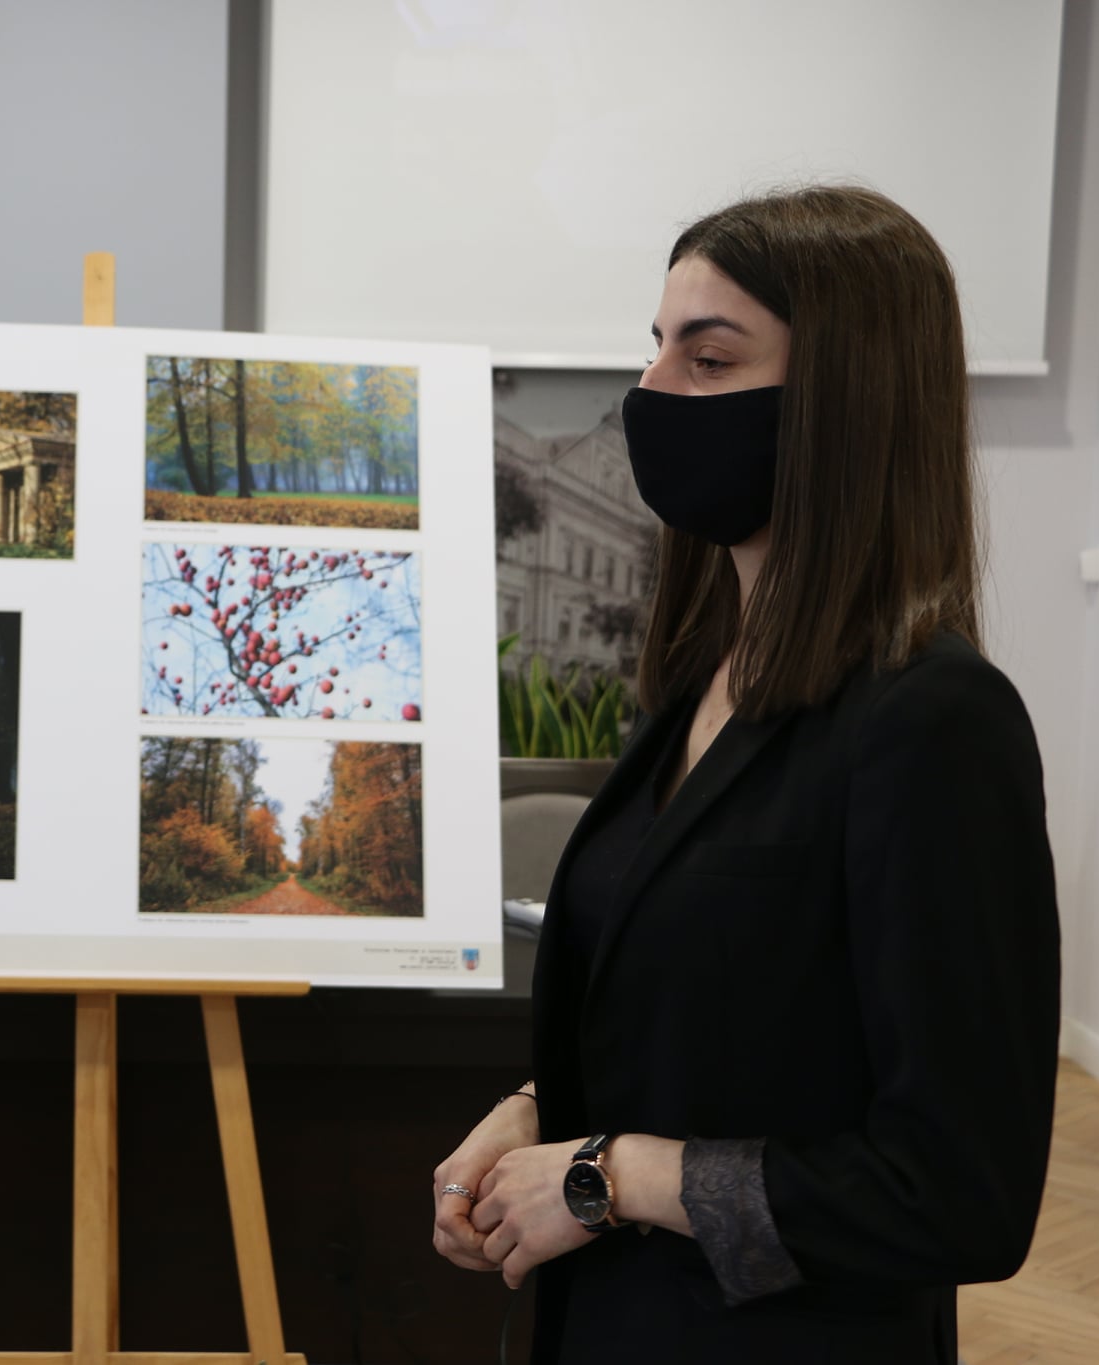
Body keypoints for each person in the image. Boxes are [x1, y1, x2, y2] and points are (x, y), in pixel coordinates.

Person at [432, 185, 1060, 1363]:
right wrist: (537, 1115)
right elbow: (711, 1026)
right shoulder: (696, 683)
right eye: (656, 347)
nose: (648, 392)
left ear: (843, 402)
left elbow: (956, 1191)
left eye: (709, 360)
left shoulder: (933, 723)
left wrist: (605, 1176)